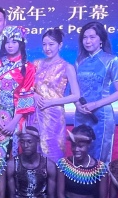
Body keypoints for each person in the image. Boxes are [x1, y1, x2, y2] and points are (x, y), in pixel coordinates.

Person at [74, 21, 118, 163]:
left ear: (101, 39)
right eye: (85, 37)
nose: (88, 41)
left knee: (100, 155)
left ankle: (100, 178)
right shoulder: (79, 61)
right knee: (80, 153)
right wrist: (77, 104)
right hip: (81, 114)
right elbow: (74, 90)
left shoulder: (111, 60)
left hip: (101, 116)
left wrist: (96, 104)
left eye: (92, 37)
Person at [31, 28, 81, 161]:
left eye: (51, 44)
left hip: (54, 114)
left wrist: (50, 102)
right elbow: (27, 88)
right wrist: (35, 95)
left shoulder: (67, 67)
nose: (47, 48)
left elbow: (76, 95)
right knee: (34, 150)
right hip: (35, 113)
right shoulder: (36, 64)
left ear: (60, 45)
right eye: (44, 44)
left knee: (52, 152)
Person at [0, 26, 36, 157]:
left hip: (17, 116)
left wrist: (13, 123)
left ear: (21, 43)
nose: (10, 45)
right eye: (7, 42)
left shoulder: (28, 67)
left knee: (15, 153)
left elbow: (26, 98)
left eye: (14, 42)